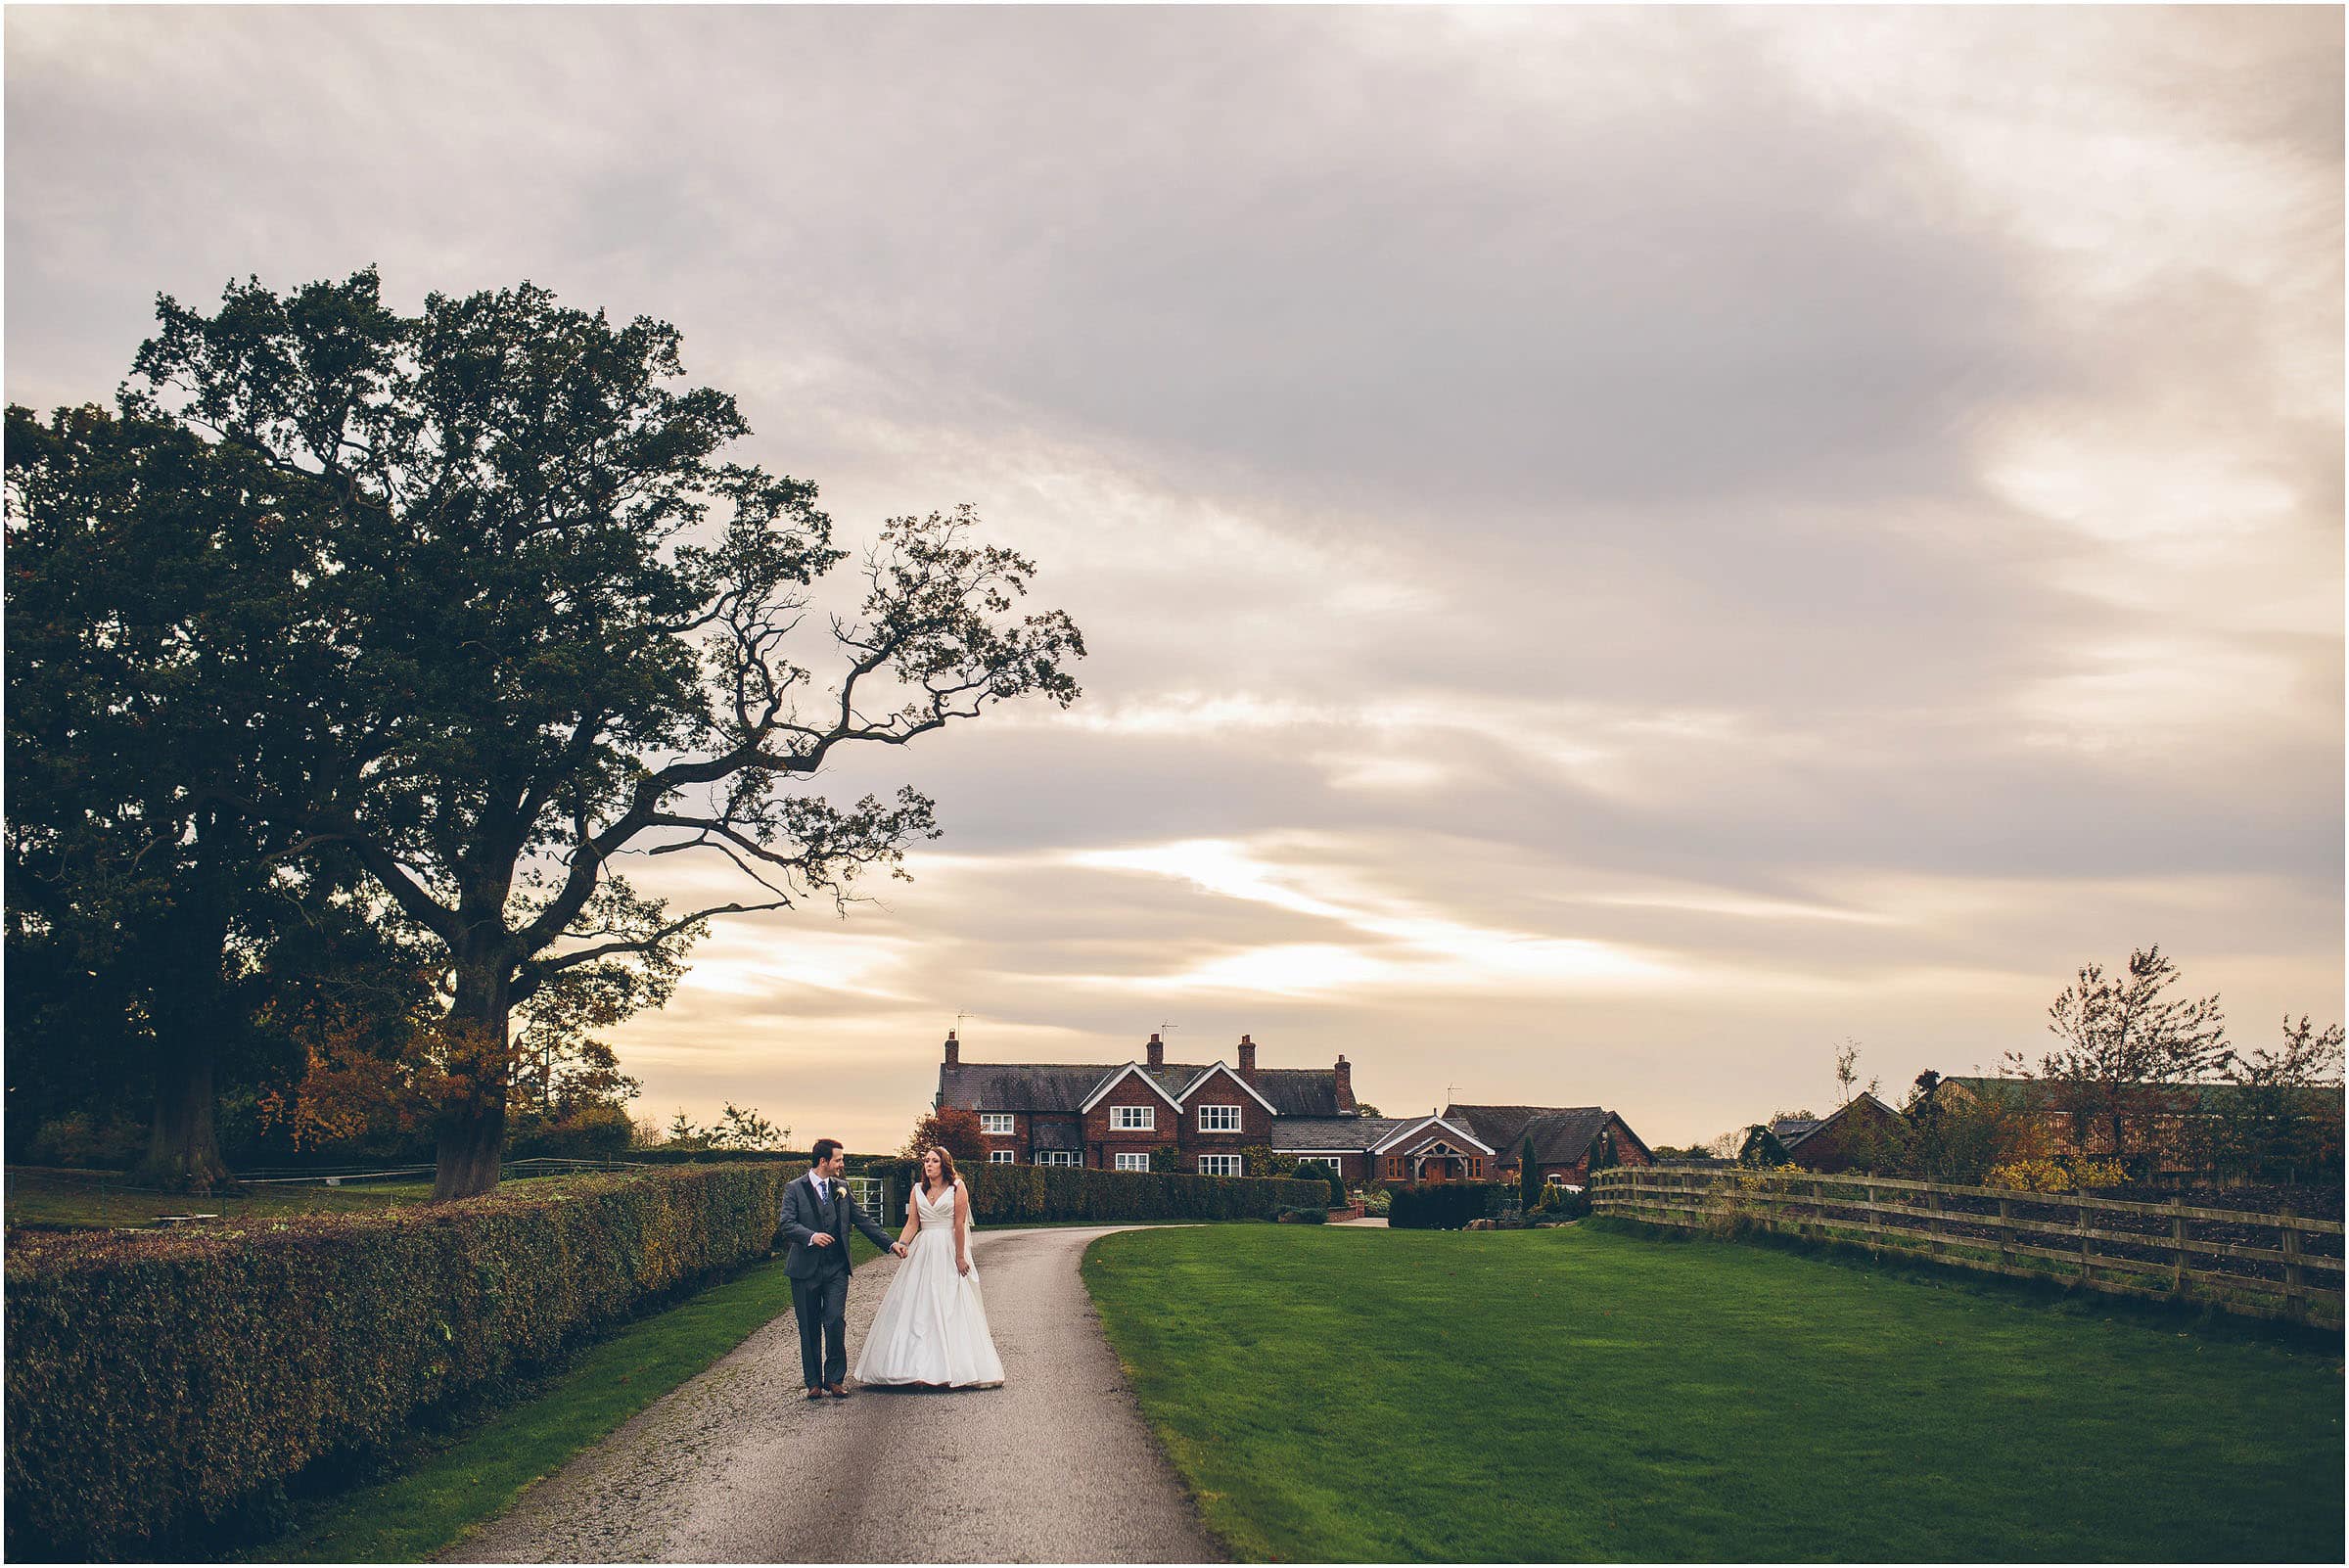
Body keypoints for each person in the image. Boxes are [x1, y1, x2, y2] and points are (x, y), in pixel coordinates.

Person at [852, 1144, 1005, 1389]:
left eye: (934, 1161)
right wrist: (902, 1243)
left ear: (944, 1164)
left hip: (947, 1247)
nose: (928, 1165)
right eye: (926, 1161)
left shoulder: (957, 1187)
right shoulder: (917, 1190)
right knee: (918, 1304)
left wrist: (959, 1256)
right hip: (923, 1249)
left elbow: (958, 1224)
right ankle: (914, 1368)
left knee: (946, 1303)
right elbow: (913, 1222)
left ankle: (951, 1367)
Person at [779, 1138, 905, 1400]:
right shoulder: (794, 1189)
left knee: (835, 1320)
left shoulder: (842, 1188)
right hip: (805, 1269)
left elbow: (863, 1220)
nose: (842, 1164)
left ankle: (835, 1378)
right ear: (823, 1161)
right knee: (809, 1325)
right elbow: (787, 1223)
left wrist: (890, 1243)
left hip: (836, 1268)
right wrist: (812, 1236)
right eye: (838, 1159)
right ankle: (813, 1382)